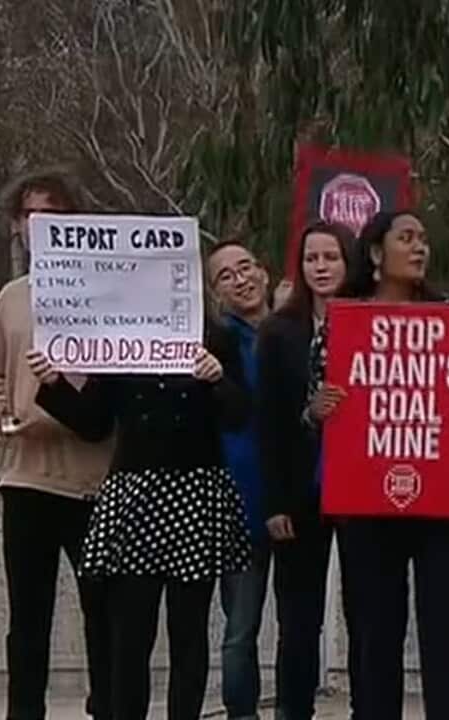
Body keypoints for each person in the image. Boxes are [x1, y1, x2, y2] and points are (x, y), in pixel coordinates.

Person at [27, 315, 251, 720]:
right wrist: (54, 383)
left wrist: (218, 379)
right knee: (129, 632)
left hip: (195, 495)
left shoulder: (215, 334)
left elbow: (239, 415)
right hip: (134, 496)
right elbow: (94, 424)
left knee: (189, 631)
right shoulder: (121, 335)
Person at [0, 171, 115, 720]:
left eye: (57, 216)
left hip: (96, 480)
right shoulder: (11, 299)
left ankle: (107, 708)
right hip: (26, 480)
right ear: (18, 227)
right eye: (34, 217)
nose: (44, 226)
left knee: (102, 612)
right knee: (27, 619)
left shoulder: (108, 293)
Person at [340, 210, 449, 720]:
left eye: (423, 239)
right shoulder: (344, 320)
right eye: (406, 238)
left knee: (444, 630)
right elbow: (312, 410)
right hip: (368, 505)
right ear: (376, 253)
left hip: (444, 504)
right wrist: (319, 407)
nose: (420, 248)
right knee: (376, 632)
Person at [258, 222, 363, 720]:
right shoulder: (279, 331)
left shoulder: (375, 319)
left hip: (365, 486)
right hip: (300, 490)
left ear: (349, 262)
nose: (320, 267)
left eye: (331, 257)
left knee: (366, 615)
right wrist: (274, 502)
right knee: (299, 619)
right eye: (311, 259)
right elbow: (268, 421)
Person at [207, 238, 274, 720]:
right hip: (239, 498)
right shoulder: (213, 343)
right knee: (241, 627)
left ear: (265, 272)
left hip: (297, 496)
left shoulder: (298, 330)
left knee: (300, 622)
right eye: (226, 275)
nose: (241, 279)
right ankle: (241, 712)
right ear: (215, 292)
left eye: (246, 266)